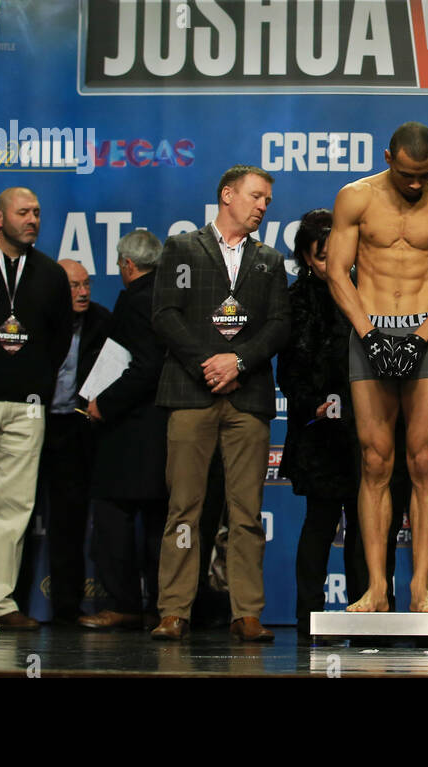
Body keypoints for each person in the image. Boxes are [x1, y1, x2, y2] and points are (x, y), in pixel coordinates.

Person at [326, 122, 428, 613]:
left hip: (426, 333)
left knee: (425, 460)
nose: (415, 184)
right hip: (369, 331)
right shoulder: (355, 198)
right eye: (407, 174)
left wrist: (419, 338)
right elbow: (336, 272)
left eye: (424, 175)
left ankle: (421, 587)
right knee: (374, 461)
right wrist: (369, 335)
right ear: (389, 156)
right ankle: (376, 587)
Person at [151, 165, 290, 642]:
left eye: (268, 200)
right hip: (191, 391)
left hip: (247, 396)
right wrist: (208, 363)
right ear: (227, 195)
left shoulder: (270, 260)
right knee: (184, 507)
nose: (263, 206)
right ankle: (174, 610)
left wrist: (239, 362)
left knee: (246, 512)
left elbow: (278, 325)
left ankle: (246, 611)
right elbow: (164, 314)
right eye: (256, 196)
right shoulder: (182, 248)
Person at [0, 186, 73, 629]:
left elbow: (58, 340)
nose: (32, 219)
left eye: (37, 212)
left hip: (28, 404)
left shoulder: (51, 274)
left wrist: (34, 379)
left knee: (13, 509)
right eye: (23, 212)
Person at [277, 210, 365, 631]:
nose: (334, 262)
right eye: (323, 255)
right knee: (320, 524)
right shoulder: (297, 301)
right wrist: (318, 405)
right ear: (307, 259)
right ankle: (309, 617)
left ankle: (368, 613)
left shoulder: (367, 291)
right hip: (321, 434)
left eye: (340, 252)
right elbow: (289, 370)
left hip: (366, 427)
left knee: (366, 530)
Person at [79, 230, 169, 630]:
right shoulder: (167, 295)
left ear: (127, 265)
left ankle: (124, 604)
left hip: (130, 428)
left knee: (113, 518)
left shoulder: (135, 299)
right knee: (156, 521)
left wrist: (104, 403)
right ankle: (159, 606)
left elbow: (144, 366)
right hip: (160, 428)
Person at [33, 258, 109, 625]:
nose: (81, 292)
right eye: (73, 286)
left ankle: (67, 609)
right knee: (20, 518)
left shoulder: (102, 321)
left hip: (77, 430)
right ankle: (8, 605)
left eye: (86, 284)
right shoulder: (37, 318)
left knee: (69, 523)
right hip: (34, 423)